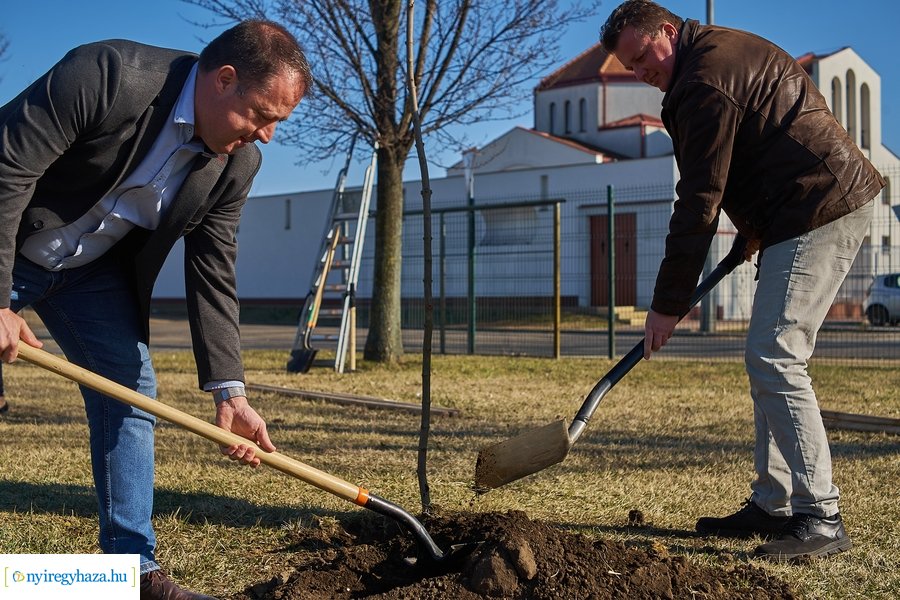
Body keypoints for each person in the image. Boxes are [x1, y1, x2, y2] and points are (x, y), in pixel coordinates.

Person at [0, 20, 312, 599]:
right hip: (12, 241)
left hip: (89, 272)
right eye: (263, 116)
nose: (268, 136)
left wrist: (230, 393)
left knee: (131, 388)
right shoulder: (108, 76)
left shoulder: (236, 164)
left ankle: (131, 574)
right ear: (224, 80)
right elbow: (7, 169)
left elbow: (213, 267)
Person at [600, 1, 884, 562]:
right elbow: (755, 152)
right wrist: (752, 228)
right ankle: (775, 502)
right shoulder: (707, 65)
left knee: (775, 355)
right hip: (792, 209)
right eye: (629, 67)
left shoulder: (707, 78)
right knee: (767, 355)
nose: (640, 73)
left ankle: (821, 516)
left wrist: (667, 303)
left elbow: (700, 198)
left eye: (642, 57)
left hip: (820, 204)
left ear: (668, 30)